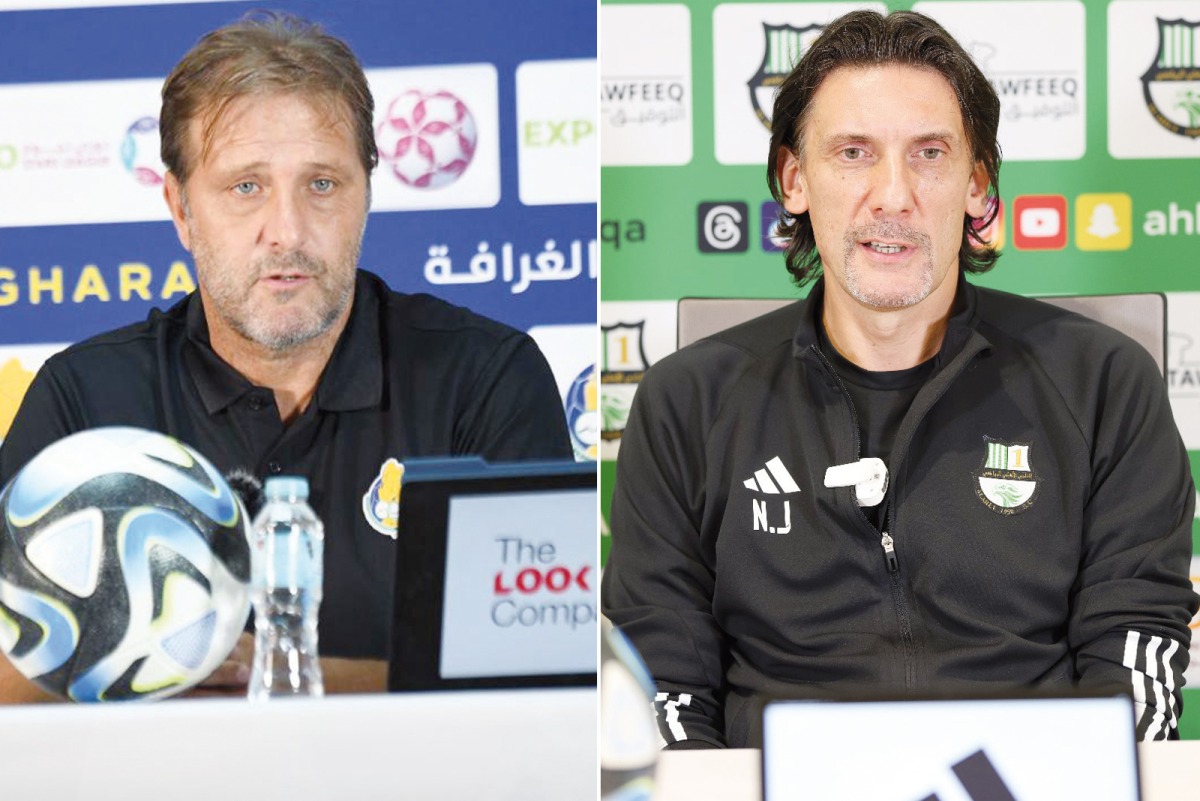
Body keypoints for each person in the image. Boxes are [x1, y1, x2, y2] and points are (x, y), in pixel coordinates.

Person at [601, 9, 1197, 746]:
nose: (892, 195)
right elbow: (661, 689)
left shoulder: (1104, 385)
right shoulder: (684, 405)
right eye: (853, 152)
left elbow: (1132, 663)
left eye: (929, 154)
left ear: (978, 186)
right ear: (794, 179)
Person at [0, 12, 572, 702]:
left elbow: (535, 679)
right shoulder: (84, 397)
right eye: (246, 187)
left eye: (322, 184)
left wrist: (256, 675)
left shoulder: (486, 378)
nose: (289, 231)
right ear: (181, 209)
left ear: (366, 195)